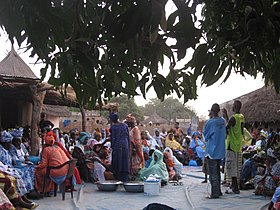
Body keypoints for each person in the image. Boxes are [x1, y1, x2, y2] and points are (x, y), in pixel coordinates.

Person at [203, 103, 226, 199]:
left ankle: (215, 193)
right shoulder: (222, 121)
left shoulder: (209, 123)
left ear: (211, 111)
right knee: (217, 172)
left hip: (211, 151)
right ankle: (218, 191)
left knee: (212, 173)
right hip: (220, 151)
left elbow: (206, 136)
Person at [222, 100, 244, 194]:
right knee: (236, 166)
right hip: (238, 144)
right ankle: (234, 186)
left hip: (231, 144)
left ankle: (235, 188)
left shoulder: (233, 118)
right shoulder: (241, 117)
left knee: (231, 166)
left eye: (233, 106)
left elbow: (226, 127)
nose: (232, 107)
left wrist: (225, 117)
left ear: (235, 107)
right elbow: (232, 126)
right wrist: (227, 116)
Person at [109, 112, 130, 182]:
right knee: (124, 161)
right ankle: (125, 178)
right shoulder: (125, 126)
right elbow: (128, 137)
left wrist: (112, 147)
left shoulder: (113, 128)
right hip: (125, 146)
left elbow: (113, 139)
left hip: (117, 146)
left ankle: (118, 178)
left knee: (117, 161)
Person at [125, 114, 144, 178]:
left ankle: (135, 176)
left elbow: (137, 141)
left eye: (128, 123)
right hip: (131, 148)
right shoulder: (131, 129)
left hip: (135, 150)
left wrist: (135, 149)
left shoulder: (135, 129)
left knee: (136, 163)